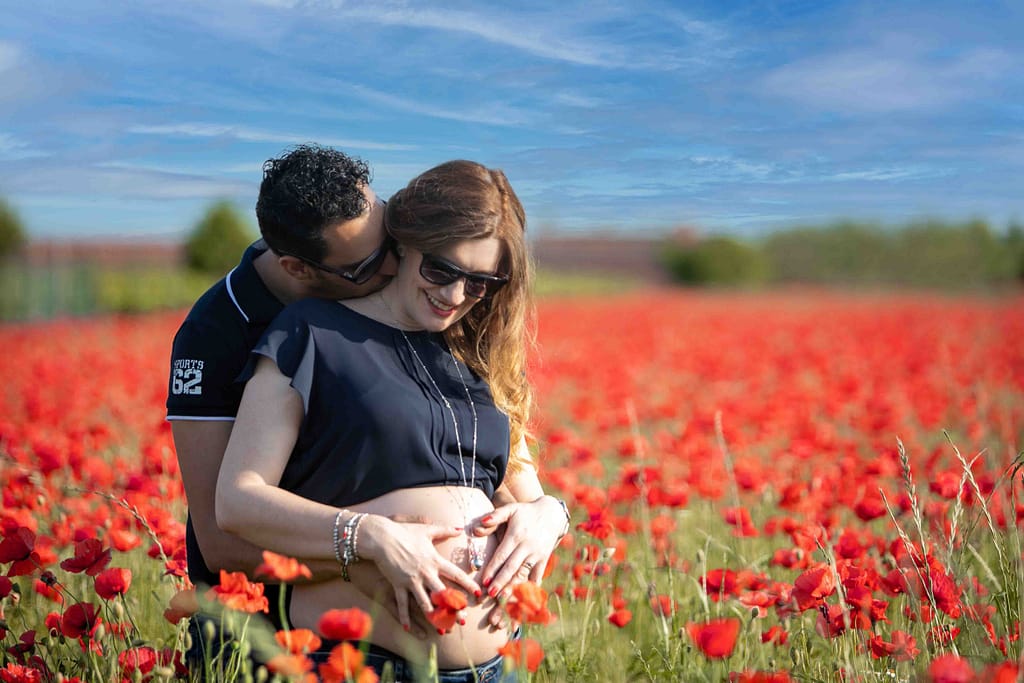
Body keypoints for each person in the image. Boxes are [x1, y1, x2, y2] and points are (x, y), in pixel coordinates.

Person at [216, 160, 569, 681]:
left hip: (495, 665)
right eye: (440, 269)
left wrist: (549, 518)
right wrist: (369, 535)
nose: (455, 295)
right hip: (362, 662)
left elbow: (529, 494)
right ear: (403, 246)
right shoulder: (311, 334)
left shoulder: (477, 353)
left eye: (479, 282)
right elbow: (238, 497)